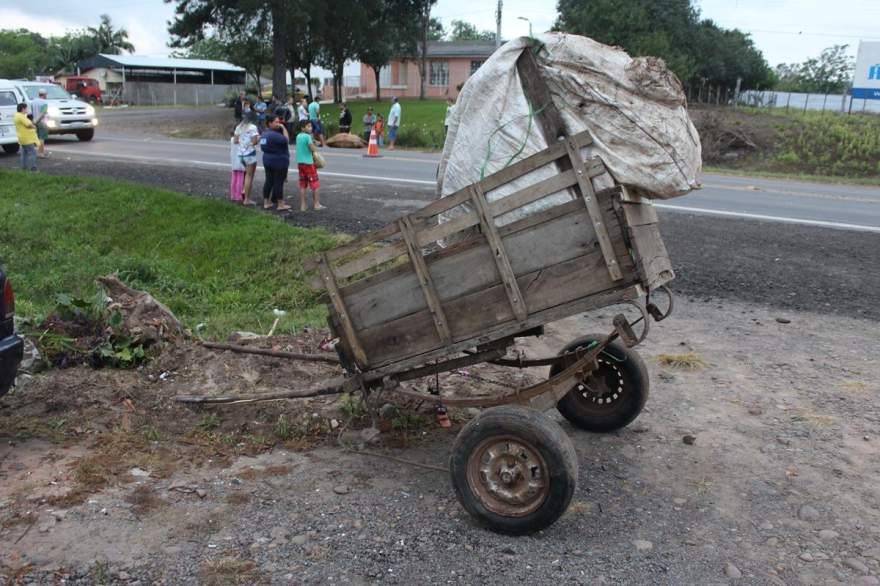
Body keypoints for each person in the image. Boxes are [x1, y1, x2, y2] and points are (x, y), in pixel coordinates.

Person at [260, 114, 291, 211]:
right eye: (276, 122)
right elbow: (287, 140)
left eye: (279, 122)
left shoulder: (264, 134)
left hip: (267, 160)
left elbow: (262, 146)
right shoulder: (276, 135)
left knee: (269, 181)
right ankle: (280, 204)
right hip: (279, 161)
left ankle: (266, 202)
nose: (279, 124)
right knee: (278, 182)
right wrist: (284, 128)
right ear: (270, 123)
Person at [232, 105, 259, 206]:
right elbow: (255, 141)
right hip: (250, 154)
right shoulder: (253, 127)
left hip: (241, 155)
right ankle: (247, 199)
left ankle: (244, 190)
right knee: (249, 177)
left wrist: (242, 142)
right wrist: (255, 141)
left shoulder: (239, 127)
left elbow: (235, 141)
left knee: (246, 175)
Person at [296, 120, 323, 211]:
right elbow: (312, 149)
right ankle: (316, 204)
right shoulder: (308, 137)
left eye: (310, 126)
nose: (310, 128)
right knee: (315, 184)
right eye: (308, 126)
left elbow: (303, 146)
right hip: (308, 163)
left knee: (303, 184)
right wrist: (315, 145)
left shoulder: (298, 136)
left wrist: (313, 141)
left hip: (300, 163)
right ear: (302, 128)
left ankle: (303, 205)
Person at [14, 103, 38, 171]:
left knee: (24, 154)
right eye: (26, 108)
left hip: (22, 138)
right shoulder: (21, 116)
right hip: (27, 138)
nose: (26, 110)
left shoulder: (16, 115)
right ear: (23, 109)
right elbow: (28, 124)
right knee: (33, 153)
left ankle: (24, 168)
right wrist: (34, 126)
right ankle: (33, 169)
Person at [31, 88, 50, 158]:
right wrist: (38, 120)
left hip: (34, 120)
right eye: (46, 94)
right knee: (42, 138)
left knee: (38, 137)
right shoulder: (44, 102)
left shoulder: (33, 102)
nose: (46, 96)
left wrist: (34, 121)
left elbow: (32, 112)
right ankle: (41, 153)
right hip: (42, 121)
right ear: (44, 94)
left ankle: (40, 152)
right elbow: (43, 113)